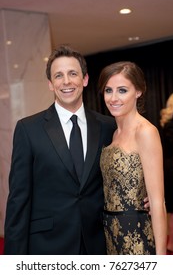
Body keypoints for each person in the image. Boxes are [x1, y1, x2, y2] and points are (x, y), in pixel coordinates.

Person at [4, 46, 149, 255]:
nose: (66, 81)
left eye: (73, 74)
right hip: (47, 247)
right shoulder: (28, 129)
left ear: (85, 79)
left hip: (99, 243)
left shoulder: (108, 126)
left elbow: (127, 169)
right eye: (58, 76)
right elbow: (18, 200)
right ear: (50, 84)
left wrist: (149, 198)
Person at [98, 61, 167, 255]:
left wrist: (161, 261)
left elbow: (157, 202)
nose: (113, 98)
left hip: (137, 236)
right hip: (111, 234)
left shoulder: (146, 132)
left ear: (138, 91)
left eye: (122, 90)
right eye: (108, 90)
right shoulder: (113, 133)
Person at [160, 93, 173, 253]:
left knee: (170, 210)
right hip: (171, 168)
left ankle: (169, 243)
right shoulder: (170, 125)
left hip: (167, 168)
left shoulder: (165, 123)